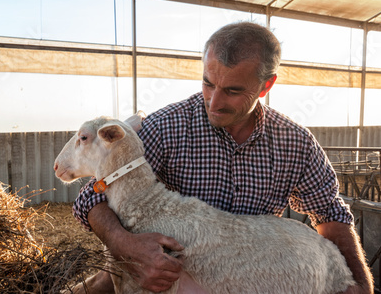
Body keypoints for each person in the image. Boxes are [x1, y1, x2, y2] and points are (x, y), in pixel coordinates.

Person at [71, 22, 374, 294]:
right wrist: (125, 245)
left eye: (232, 90)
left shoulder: (296, 143)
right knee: (108, 281)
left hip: (248, 274)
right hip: (173, 272)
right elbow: (91, 197)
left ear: (266, 85)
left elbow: (330, 215)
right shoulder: (165, 127)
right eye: (208, 83)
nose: (214, 102)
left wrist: (361, 284)